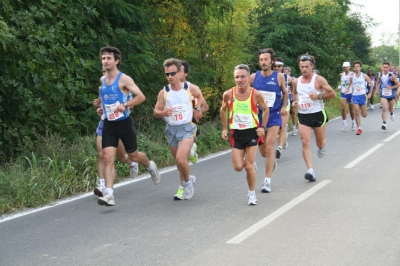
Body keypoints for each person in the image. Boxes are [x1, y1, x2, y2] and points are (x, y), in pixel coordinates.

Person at [97, 46, 161, 207]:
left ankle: (149, 165)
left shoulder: (124, 79)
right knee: (107, 157)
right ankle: (109, 194)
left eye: (108, 58)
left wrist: (125, 104)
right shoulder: (102, 81)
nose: (105, 61)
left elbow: (141, 97)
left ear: (116, 61)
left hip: (124, 124)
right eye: (103, 58)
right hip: (109, 125)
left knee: (133, 156)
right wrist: (100, 108)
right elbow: (106, 101)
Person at [154, 58, 207, 200]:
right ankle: (189, 177)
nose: (169, 77)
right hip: (171, 129)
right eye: (167, 74)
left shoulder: (189, 88)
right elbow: (156, 112)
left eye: (172, 73)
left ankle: (187, 183)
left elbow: (200, 97)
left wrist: (197, 108)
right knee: (179, 162)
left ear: (179, 73)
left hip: (187, 128)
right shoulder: (164, 92)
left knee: (180, 159)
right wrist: (164, 113)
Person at [220, 64, 268, 205]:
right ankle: (251, 166)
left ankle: (252, 193)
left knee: (248, 166)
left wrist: (263, 127)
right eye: (237, 77)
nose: (239, 80)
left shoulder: (256, 94)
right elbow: (223, 110)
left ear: (248, 78)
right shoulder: (228, 94)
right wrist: (224, 128)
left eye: (242, 77)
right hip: (236, 133)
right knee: (238, 167)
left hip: (252, 132)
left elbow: (265, 110)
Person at [93, 69, 139, 197]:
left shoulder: (121, 84)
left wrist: (124, 105)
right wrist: (98, 107)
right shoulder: (102, 87)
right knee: (103, 155)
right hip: (105, 124)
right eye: (102, 72)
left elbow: (132, 105)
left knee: (122, 157)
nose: (104, 74)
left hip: (120, 124)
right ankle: (103, 187)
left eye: (106, 72)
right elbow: (103, 106)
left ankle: (132, 163)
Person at [292, 54, 336, 181]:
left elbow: (332, 94)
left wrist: (319, 97)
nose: (304, 69)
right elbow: (295, 93)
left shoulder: (319, 80)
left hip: (317, 113)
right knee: (305, 142)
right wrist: (295, 102)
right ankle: (310, 171)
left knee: (319, 142)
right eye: (301, 67)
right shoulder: (296, 81)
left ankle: (322, 147)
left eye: (306, 66)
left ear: (312, 66)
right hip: (303, 115)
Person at [249, 48, 288, 193]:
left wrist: (284, 106)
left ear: (271, 61)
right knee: (264, 151)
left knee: (270, 146)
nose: (263, 62)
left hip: (273, 116)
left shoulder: (279, 77)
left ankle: (267, 182)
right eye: (261, 60)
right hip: (257, 118)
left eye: (266, 59)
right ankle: (271, 161)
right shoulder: (253, 77)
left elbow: (285, 93)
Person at [180, 60, 209, 165]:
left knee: (182, 155)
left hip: (190, 124)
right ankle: (192, 152)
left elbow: (205, 106)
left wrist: (196, 111)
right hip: (176, 124)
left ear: (186, 74)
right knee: (180, 152)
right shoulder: (169, 90)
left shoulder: (193, 89)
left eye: (180, 71)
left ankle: (186, 179)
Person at [273, 58, 292, 159]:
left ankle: (279, 148)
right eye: (275, 66)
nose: (276, 68)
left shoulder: (286, 77)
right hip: (273, 104)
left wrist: (291, 94)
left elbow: (293, 86)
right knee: (276, 127)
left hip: (284, 103)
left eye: (279, 66)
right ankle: (283, 139)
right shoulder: (269, 76)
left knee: (283, 125)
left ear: (282, 67)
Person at [351, 61, 373, 135]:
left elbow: (371, 84)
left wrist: (370, 93)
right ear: (353, 68)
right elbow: (349, 85)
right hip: (355, 96)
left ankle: (364, 113)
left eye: (358, 66)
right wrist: (347, 90)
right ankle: (359, 128)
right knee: (356, 112)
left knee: (364, 115)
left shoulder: (364, 76)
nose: (356, 68)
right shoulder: (352, 77)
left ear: (360, 67)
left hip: (362, 96)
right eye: (355, 66)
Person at [375, 62, 400, 130]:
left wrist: (391, 87)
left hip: (391, 94)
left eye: (386, 67)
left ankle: (392, 113)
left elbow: (398, 84)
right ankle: (384, 123)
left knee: (390, 109)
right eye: (384, 67)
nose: (385, 68)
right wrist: (377, 90)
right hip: (383, 94)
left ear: (389, 68)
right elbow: (377, 83)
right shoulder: (380, 75)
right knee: (384, 108)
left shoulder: (392, 76)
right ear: (382, 68)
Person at [338, 61, 355, 131]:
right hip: (343, 93)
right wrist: (339, 87)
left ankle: (353, 122)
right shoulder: (342, 75)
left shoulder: (352, 74)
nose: (345, 68)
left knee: (351, 109)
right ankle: (344, 123)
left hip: (351, 93)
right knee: (343, 108)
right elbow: (341, 82)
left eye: (346, 67)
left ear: (349, 67)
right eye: (344, 67)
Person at [284, 66, 298, 136]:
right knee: (286, 112)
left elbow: (294, 90)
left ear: (289, 72)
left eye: (287, 72)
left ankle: (294, 126)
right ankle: (285, 127)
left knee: (293, 113)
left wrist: (294, 98)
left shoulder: (292, 79)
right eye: (284, 72)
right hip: (285, 98)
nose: (285, 74)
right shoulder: (282, 78)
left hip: (291, 97)